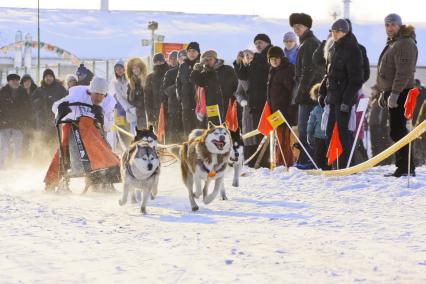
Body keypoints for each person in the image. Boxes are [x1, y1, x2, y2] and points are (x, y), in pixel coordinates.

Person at [44, 77, 120, 192]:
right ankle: (54, 180)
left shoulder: (108, 102)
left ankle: (99, 170)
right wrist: (62, 108)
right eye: (96, 94)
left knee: (86, 123)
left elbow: (108, 127)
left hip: (94, 135)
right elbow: (55, 106)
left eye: (101, 95)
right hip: (73, 132)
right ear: (90, 91)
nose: (99, 97)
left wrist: (101, 117)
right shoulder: (77, 95)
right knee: (66, 144)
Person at [376, 13, 418, 177]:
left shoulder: (405, 43)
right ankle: (405, 167)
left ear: (400, 26)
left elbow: (404, 72)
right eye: (387, 25)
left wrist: (394, 93)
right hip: (393, 92)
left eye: (393, 24)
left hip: (401, 93)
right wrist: (384, 92)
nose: (389, 28)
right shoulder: (394, 42)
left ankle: (406, 168)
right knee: (396, 130)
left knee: (398, 130)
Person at [319, 19, 364, 169]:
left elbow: (356, 79)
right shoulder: (332, 47)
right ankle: (334, 164)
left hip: (345, 99)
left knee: (344, 134)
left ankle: (346, 166)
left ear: (345, 32)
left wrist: (346, 100)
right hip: (332, 98)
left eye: (338, 31)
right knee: (329, 131)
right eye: (333, 31)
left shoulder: (353, 49)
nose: (335, 34)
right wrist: (322, 92)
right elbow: (328, 74)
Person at [289, 13, 324, 169]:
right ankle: (307, 158)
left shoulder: (309, 44)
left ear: (307, 27)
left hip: (309, 93)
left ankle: (308, 159)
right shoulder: (306, 42)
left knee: (306, 129)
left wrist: (301, 92)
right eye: (294, 26)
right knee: (308, 128)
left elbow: (308, 71)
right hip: (311, 92)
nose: (296, 29)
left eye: (299, 26)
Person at [233, 34, 272, 167]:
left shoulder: (269, 54)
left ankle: (264, 161)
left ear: (267, 43)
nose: (258, 45)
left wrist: (254, 57)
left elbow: (265, 67)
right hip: (254, 102)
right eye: (256, 43)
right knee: (256, 133)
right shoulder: (256, 58)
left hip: (265, 101)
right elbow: (243, 77)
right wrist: (239, 63)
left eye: (261, 42)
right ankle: (257, 160)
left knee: (264, 133)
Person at [190, 50, 238, 126]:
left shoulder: (227, 69)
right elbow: (194, 79)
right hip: (212, 107)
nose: (209, 61)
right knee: (214, 129)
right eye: (206, 60)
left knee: (230, 129)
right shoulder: (204, 74)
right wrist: (199, 66)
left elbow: (236, 85)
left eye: (210, 59)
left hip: (228, 105)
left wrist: (235, 99)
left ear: (215, 59)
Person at [266, 46, 295, 167]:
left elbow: (292, 91)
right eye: (272, 59)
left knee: (285, 139)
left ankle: (286, 162)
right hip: (275, 111)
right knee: (278, 138)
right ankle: (279, 161)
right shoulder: (273, 71)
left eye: (277, 58)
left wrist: (290, 108)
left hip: (285, 111)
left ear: (282, 58)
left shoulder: (287, 70)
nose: (274, 61)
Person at [31, 69, 67, 149]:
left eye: (50, 76)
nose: (48, 78)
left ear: (53, 77)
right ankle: (42, 160)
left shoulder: (60, 89)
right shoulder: (38, 90)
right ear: (43, 78)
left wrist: (54, 100)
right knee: (43, 144)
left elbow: (66, 101)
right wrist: (43, 100)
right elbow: (32, 103)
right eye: (46, 76)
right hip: (42, 123)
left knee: (56, 144)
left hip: (57, 122)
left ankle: (57, 160)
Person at [0, 74, 30, 168]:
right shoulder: (2, 92)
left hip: (18, 124)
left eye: (17, 80)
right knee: (4, 146)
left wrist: (24, 120)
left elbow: (27, 107)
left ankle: (17, 166)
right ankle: (2, 166)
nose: (15, 82)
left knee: (18, 147)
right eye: (13, 81)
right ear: (8, 82)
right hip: (5, 124)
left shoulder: (23, 92)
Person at [176, 42, 200, 136]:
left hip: (199, 105)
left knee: (199, 131)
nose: (191, 53)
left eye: (194, 51)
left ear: (198, 52)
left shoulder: (201, 64)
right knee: (188, 132)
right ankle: (188, 150)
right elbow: (178, 84)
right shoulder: (183, 66)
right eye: (189, 51)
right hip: (186, 105)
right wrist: (181, 99)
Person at [163, 49, 185, 143]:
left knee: (185, 132)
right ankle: (175, 153)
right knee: (175, 133)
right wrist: (177, 84)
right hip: (173, 108)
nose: (173, 60)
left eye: (175, 58)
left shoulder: (188, 70)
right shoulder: (169, 73)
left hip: (187, 107)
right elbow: (166, 90)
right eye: (171, 58)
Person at [307, 83, 330, 170]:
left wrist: (309, 134)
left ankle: (320, 168)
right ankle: (329, 167)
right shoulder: (330, 108)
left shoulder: (316, 109)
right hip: (329, 136)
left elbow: (311, 123)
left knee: (319, 155)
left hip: (318, 137)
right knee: (328, 155)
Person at [145, 53, 170, 126]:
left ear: (164, 61)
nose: (159, 63)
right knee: (157, 134)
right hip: (156, 111)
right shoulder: (150, 77)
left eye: (160, 61)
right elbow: (147, 98)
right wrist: (149, 115)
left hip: (169, 110)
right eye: (156, 61)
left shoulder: (169, 73)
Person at [126, 57, 148, 129]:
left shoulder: (148, 79)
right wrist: (137, 103)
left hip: (149, 109)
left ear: (141, 68)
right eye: (133, 68)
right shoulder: (131, 83)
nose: (135, 70)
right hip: (140, 111)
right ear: (131, 70)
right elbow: (130, 100)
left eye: (137, 67)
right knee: (142, 132)